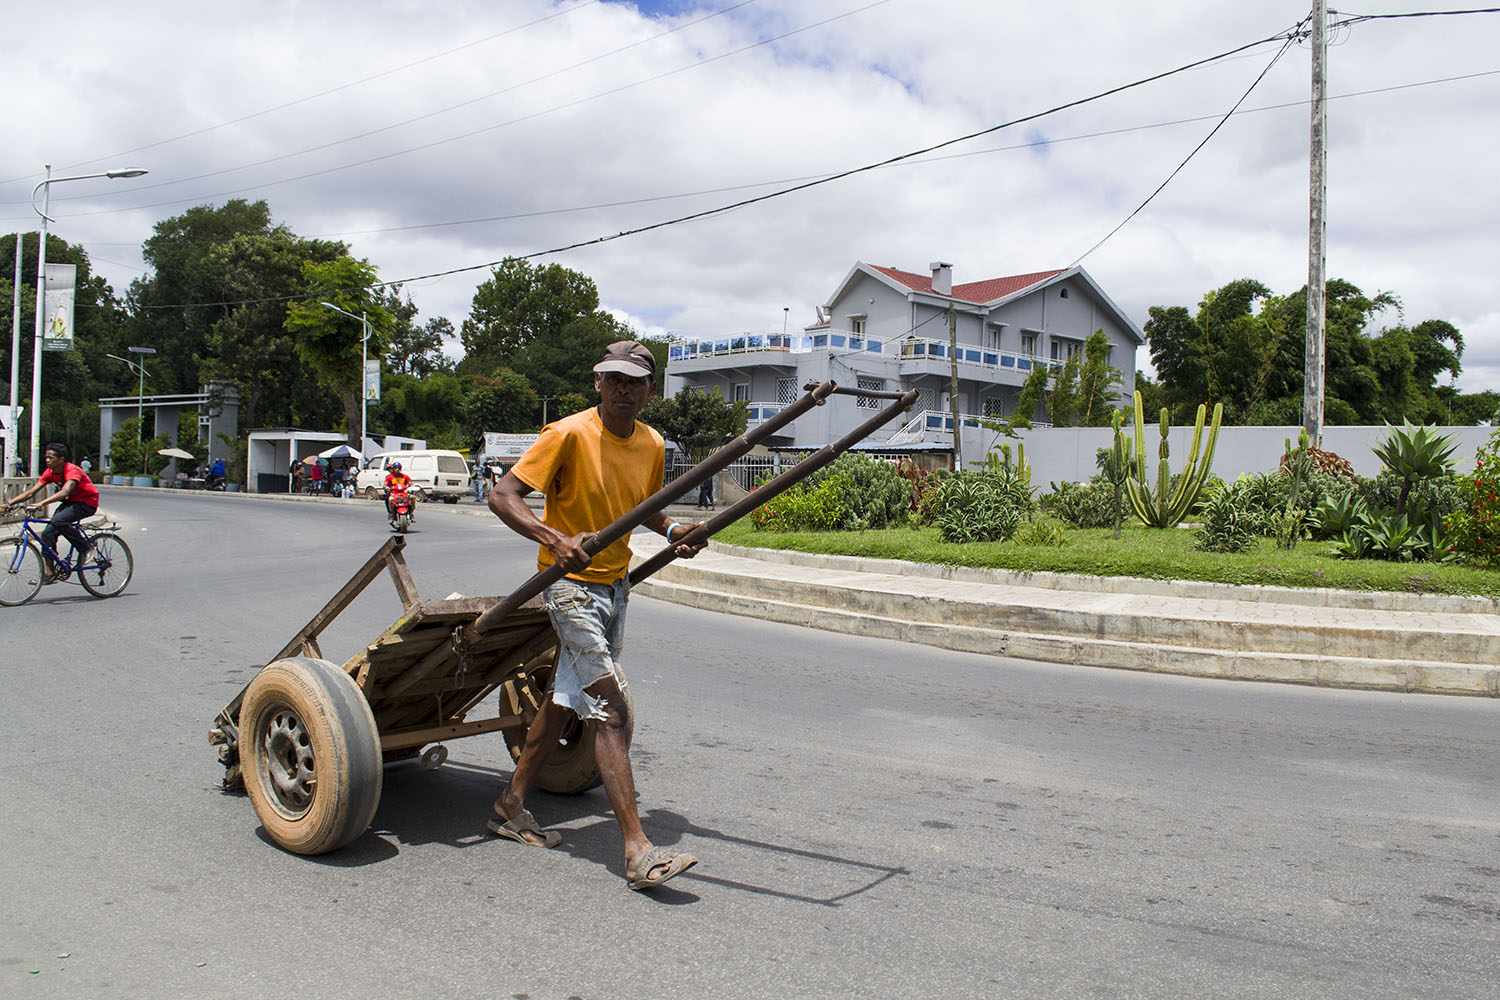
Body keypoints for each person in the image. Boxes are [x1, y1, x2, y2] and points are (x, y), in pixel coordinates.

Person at [487, 340, 706, 891]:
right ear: (597, 383)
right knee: (610, 708)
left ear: (649, 390)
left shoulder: (653, 442)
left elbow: (644, 507)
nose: (623, 390)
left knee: (564, 702)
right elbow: (503, 495)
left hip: (615, 588)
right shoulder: (566, 433)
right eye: (614, 380)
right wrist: (552, 537)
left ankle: (510, 802)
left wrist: (674, 531)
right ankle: (637, 851)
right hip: (567, 588)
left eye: (634, 382)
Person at [1, 442, 100, 582]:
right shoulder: (50, 472)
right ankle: (50, 572)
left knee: (58, 520)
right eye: (46, 457)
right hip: (70, 502)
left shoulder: (72, 470)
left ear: (61, 459)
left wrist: (41, 503)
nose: (47, 460)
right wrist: (7, 504)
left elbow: (65, 491)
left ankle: (85, 548)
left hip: (86, 503)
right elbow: (30, 492)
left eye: (51, 458)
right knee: (47, 532)